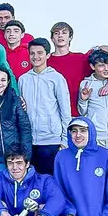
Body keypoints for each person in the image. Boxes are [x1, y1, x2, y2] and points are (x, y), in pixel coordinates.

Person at [18, 38, 71, 175]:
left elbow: (65, 111)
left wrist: (64, 141)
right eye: (32, 53)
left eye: (40, 53)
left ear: (48, 55)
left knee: (49, 180)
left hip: (51, 140)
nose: (36, 57)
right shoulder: (23, 79)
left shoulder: (57, 78)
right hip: (29, 140)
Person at [46, 22, 106, 117]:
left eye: (64, 32)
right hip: (53, 116)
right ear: (52, 39)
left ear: (70, 37)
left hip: (77, 114)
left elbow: (107, 69)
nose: (60, 35)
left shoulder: (81, 59)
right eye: (56, 33)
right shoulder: (45, 62)